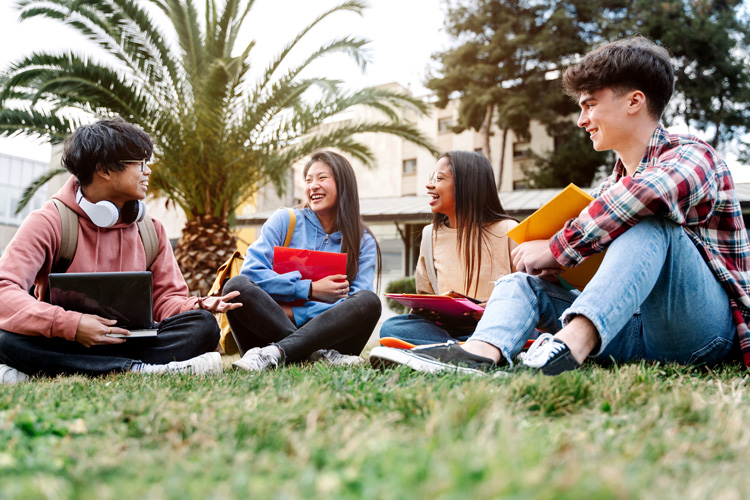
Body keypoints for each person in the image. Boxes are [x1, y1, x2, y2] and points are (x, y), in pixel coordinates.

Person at [370, 36, 750, 376]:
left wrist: (556, 249)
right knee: (523, 282)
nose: (582, 119)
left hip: (697, 332)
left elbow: (646, 197)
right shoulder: (608, 187)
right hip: (626, 329)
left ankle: (569, 346)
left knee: (650, 222)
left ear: (635, 101)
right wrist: (558, 272)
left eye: (590, 105)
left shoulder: (694, 156)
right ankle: (479, 354)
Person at [0, 118, 240, 384]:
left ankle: (79, 368)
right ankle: (141, 369)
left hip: (132, 339)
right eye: (139, 164)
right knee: (4, 338)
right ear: (104, 170)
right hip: (65, 339)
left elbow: (164, 301)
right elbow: (4, 290)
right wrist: (72, 324)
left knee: (203, 326)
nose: (147, 171)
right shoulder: (48, 221)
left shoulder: (151, 230)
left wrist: (197, 305)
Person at [224, 150, 382, 372]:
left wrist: (291, 310)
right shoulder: (284, 220)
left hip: (329, 339)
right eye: (308, 180)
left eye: (322, 178)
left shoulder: (363, 241)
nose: (313, 185)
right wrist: (310, 289)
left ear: (343, 184)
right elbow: (252, 274)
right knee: (236, 287)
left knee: (369, 301)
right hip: (269, 332)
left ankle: (278, 353)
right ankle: (313, 355)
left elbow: (356, 306)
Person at [378, 150, 518, 345]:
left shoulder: (509, 231)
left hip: (497, 326)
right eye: (431, 178)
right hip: (448, 331)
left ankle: (452, 350)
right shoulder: (430, 235)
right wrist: (424, 310)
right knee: (392, 327)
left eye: (439, 178)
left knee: (527, 330)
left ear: (467, 185)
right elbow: (426, 295)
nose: (429, 185)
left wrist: (496, 308)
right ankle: (463, 349)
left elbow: (529, 295)